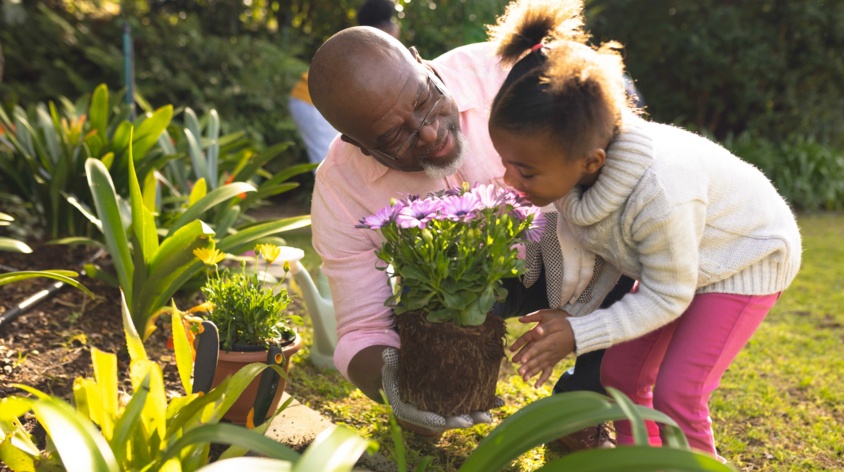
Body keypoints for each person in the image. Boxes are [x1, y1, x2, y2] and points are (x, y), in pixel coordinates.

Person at [486, 0, 802, 460]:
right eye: (506, 164)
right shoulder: (574, 170)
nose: (511, 181)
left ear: (591, 161)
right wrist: (568, 317)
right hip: (682, 261)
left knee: (679, 392)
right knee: (622, 377)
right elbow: (590, 257)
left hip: (744, 257)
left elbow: (668, 294)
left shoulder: (658, 193)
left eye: (526, 172)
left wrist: (578, 332)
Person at [307, 7, 625, 444]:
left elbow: (624, 165)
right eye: (395, 138)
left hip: (572, 244)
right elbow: (361, 328)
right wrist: (397, 387)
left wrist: (586, 300)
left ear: (421, 61)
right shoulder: (340, 187)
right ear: (356, 144)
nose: (430, 135)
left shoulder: (511, 73)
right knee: (425, 310)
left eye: (425, 102)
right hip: (452, 292)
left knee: (638, 258)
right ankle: (430, 401)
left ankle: (580, 411)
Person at [288, 0, 401, 166]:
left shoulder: (358, 38)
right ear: (386, 27)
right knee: (331, 165)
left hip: (309, 100)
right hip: (313, 103)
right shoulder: (376, 45)